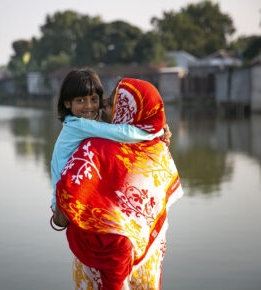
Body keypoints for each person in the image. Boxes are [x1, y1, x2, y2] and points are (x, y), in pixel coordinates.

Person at [55, 78, 183, 289]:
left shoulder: (93, 149)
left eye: (110, 102)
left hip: (102, 264)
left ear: (125, 112)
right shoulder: (159, 150)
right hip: (146, 257)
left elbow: (65, 209)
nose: (101, 104)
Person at [50, 69, 170, 219]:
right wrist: (154, 131)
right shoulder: (78, 125)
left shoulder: (82, 125)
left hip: (68, 200)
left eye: (94, 99)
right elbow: (122, 133)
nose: (89, 106)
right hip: (62, 205)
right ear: (67, 103)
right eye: (80, 101)